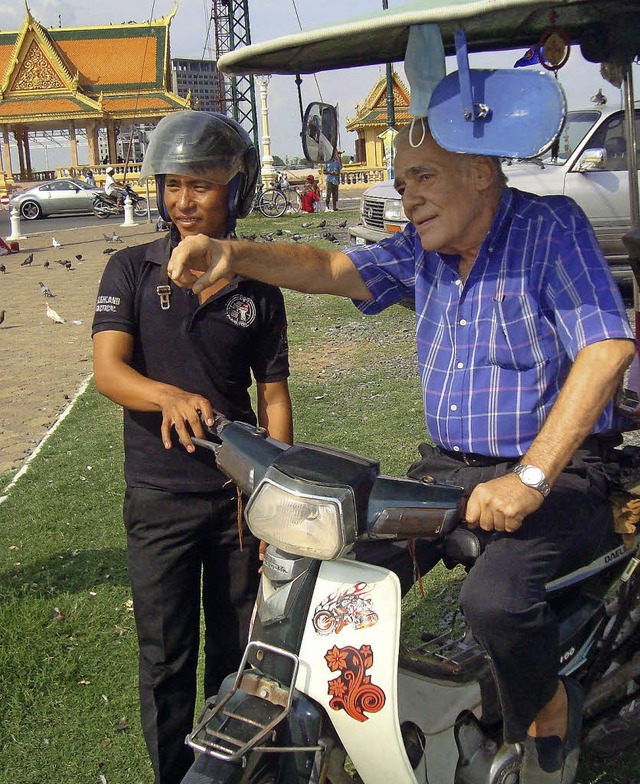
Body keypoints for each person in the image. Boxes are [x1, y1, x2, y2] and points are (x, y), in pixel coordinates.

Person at [166, 118, 636, 784]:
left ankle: (548, 711)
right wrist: (231, 255)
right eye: (400, 182)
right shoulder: (422, 248)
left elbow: (607, 347)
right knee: (318, 575)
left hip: (556, 471)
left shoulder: (548, 228)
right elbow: (329, 266)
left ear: (481, 173)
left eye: (423, 177)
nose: (407, 196)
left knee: (495, 602)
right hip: (447, 472)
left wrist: (531, 477)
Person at [92, 110, 293, 784]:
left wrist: (278, 501)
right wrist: (166, 397)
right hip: (159, 501)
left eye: (201, 186)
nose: (184, 202)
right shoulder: (130, 269)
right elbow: (109, 372)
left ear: (235, 190)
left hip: (236, 501)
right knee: (167, 657)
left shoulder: (257, 284)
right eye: (173, 185)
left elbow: (273, 398)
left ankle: (230, 769)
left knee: (239, 653)